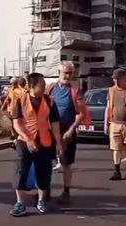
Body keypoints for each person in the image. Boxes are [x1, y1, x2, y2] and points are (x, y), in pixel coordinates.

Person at [10, 72, 63, 216]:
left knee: (44, 173)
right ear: (32, 86)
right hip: (24, 141)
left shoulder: (49, 101)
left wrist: (58, 143)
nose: (45, 87)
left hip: (45, 141)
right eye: (42, 84)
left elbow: (55, 123)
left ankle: (41, 200)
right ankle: (20, 203)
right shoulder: (21, 101)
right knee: (21, 171)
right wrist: (27, 138)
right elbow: (17, 123)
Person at [46, 61, 87, 204]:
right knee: (47, 161)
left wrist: (71, 129)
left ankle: (66, 191)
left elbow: (81, 113)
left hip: (67, 132)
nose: (68, 76)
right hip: (50, 131)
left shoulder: (75, 90)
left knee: (66, 162)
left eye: (70, 73)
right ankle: (45, 192)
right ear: (59, 73)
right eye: (65, 72)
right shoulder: (50, 89)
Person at [105, 69, 126, 180]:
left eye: (118, 79)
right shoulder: (111, 91)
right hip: (114, 123)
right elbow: (108, 107)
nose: (116, 82)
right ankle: (116, 171)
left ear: (124, 78)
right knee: (116, 148)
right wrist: (106, 123)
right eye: (114, 79)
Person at [1, 77, 28, 142]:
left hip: (19, 110)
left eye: (13, 83)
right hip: (10, 108)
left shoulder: (23, 91)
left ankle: (18, 135)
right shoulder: (10, 90)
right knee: (11, 123)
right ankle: (14, 135)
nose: (12, 85)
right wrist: (3, 106)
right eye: (11, 84)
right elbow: (7, 98)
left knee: (17, 123)